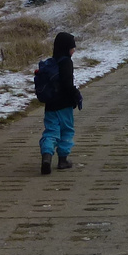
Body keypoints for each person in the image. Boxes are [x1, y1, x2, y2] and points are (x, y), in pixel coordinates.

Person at [39, 31, 82, 175]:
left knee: (51, 131)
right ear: (66, 48)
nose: (73, 50)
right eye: (72, 47)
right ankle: (63, 160)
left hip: (51, 105)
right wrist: (76, 95)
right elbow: (67, 84)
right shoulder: (66, 62)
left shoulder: (52, 62)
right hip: (64, 105)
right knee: (66, 131)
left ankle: (46, 157)